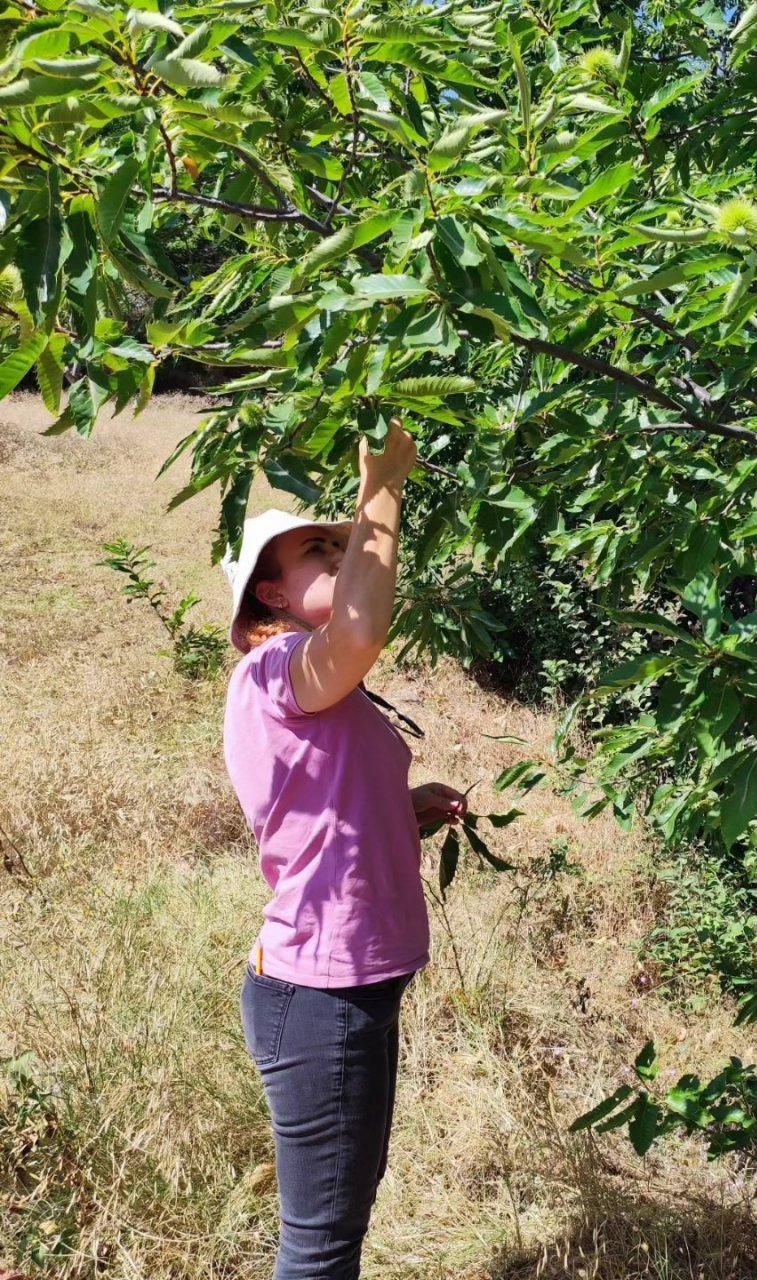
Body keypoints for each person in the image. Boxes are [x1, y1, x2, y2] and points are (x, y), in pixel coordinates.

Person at [220, 420, 466, 1279]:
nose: (340, 549)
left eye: (339, 540)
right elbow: (360, 632)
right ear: (272, 599)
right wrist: (383, 487)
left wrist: (406, 809)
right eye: (316, 551)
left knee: (335, 1230)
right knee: (321, 1248)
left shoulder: (318, 692)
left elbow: (317, 816)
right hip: (321, 995)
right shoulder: (277, 670)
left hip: (344, 988)